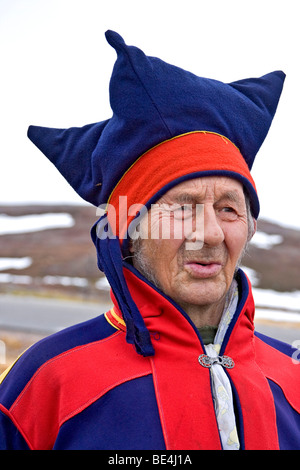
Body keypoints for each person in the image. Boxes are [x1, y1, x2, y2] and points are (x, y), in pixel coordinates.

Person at [0, 30, 299, 450]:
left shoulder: (293, 376)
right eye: (182, 207)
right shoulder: (48, 382)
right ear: (129, 229)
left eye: (229, 208)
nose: (210, 233)